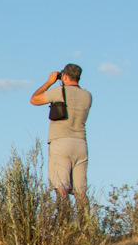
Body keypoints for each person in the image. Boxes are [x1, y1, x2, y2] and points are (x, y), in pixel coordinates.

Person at [29, 63, 91, 206]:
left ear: (64, 76)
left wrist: (49, 82)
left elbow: (34, 99)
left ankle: (63, 223)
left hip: (61, 142)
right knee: (80, 192)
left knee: (61, 189)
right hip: (81, 143)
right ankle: (86, 225)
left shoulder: (59, 92)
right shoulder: (87, 95)